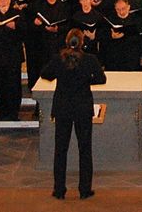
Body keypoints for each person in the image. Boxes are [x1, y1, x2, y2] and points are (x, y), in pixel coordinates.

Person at [40, 28, 107, 200]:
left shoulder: (58, 58)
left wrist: (60, 75)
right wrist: (86, 79)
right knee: (84, 149)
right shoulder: (90, 59)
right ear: (82, 42)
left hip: (62, 107)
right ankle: (85, 189)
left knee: (60, 149)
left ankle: (59, 189)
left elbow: (45, 74)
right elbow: (101, 79)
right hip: (82, 107)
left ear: (67, 41)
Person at [103, 0, 141, 71]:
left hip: (131, 58)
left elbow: (140, 39)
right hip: (115, 59)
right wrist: (111, 36)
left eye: (123, 8)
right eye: (118, 9)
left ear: (128, 7)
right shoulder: (110, 20)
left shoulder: (136, 20)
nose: (121, 12)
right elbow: (104, 41)